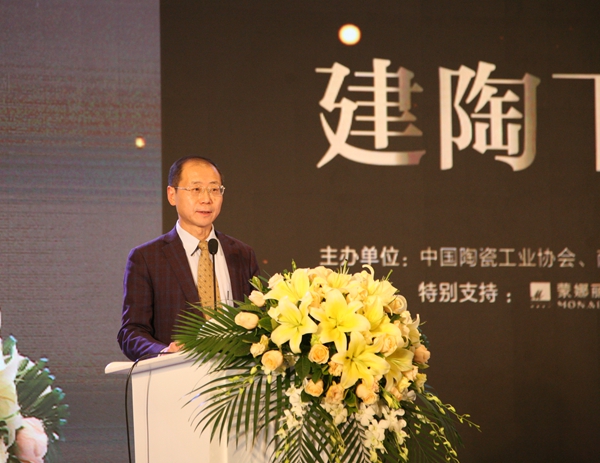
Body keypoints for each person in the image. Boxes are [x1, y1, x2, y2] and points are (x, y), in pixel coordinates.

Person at [118, 156, 260, 361]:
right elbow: (131, 332)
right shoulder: (147, 258)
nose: (206, 199)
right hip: (176, 375)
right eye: (196, 189)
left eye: (214, 189)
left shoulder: (242, 254)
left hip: (235, 374)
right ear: (172, 195)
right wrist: (164, 352)